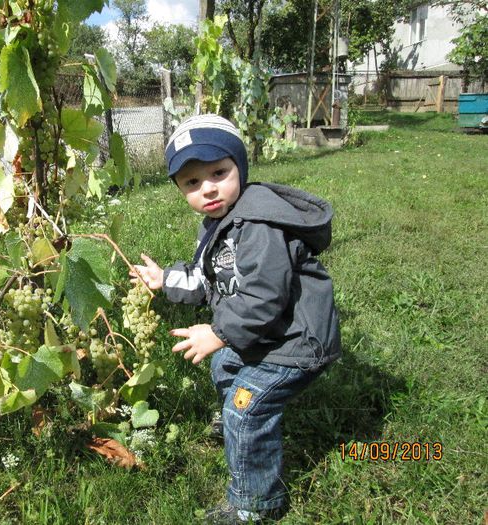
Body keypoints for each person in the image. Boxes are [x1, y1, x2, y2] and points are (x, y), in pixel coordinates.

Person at [130, 114, 341, 524]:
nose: (207, 187)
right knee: (224, 363)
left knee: (246, 409)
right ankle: (235, 421)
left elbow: (264, 296)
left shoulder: (257, 225)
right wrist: (164, 279)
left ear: (239, 167)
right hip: (269, 336)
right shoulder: (220, 222)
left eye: (219, 173)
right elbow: (209, 276)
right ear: (179, 189)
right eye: (192, 183)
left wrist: (218, 330)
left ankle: (253, 505)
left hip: (296, 343)